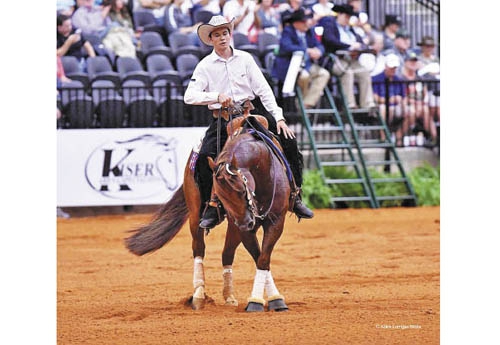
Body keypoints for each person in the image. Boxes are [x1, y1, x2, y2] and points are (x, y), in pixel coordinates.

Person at [184, 15, 314, 229]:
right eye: (217, 35)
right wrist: (216, 96)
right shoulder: (205, 66)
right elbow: (189, 96)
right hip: (223, 118)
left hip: (251, 113)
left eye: (225, 33)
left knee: (289, 142)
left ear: (229, 34)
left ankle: (295, 196)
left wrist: (279, 117)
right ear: (211, 39)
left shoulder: (245, 59)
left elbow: (263, 90)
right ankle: (212, 205)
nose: (222, 38)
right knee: (207, 156)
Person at [318, 4, 375, 109]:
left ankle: (368, 104)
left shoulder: (350, 28)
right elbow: (330, 40)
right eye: (346, 16)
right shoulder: (330, 24)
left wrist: (360, 48)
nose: (347, 19)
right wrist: (349, 46)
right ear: (339, 14)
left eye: (349, 17)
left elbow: (360, 41)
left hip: (351, 58)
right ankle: (350, 104)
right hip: (335, 58)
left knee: (364, 73)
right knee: (347, 73)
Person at [272, 8, 330, 109]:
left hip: (307, 64)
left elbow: (320, 45)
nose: (307, 23)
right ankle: (301, 104)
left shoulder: (310, 31)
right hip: (291, 66)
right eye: (304, 21)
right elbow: (286, 47)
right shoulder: (287, 31)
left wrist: (318, 51)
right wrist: (306, 50)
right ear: (296, 22)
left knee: (324, 74)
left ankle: (306, 103)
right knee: (304, 76)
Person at [401, 51, 437, 146]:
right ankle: (399, 137)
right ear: (405, 62)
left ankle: (434, 138)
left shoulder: (419, 77)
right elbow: (402, 96)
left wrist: (422, 103)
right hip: (406, 104)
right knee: (412, 111)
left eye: (415, 61)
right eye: (410, 61)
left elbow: (424, 94)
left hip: (420, 104)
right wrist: (414, 102)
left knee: (425, 111)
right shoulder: (401, 78)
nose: (413, 63)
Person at [371, 53, 408, 145]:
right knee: (384, 109)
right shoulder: (376, 79)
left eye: (395, 67)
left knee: (410, 111)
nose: (393, 69)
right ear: (385, 66)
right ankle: (384, 138)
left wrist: (403, 104)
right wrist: (390, 100)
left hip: (396, 106)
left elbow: (403, 97)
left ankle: (398, 137)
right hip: (381, 106)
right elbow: (375, 98)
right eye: (391, 67)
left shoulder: (398, 80)